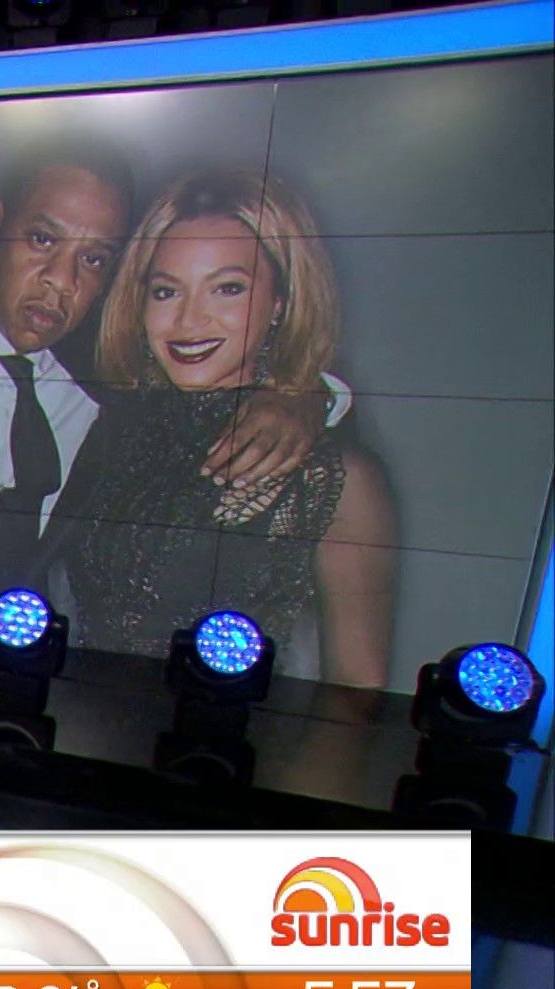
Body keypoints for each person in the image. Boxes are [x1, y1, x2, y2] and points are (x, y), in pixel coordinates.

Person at [0, 135, 347, 623]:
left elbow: (228, 360)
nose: (61, 280)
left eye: (94, 259)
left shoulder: (112, 368)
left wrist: (301, 395)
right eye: (42, 240)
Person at [67, 169, 395, 686]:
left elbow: (357, 693)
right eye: (166, 291)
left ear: (281, 302)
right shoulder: (112, 429)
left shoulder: (337, 478)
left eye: (227, 289)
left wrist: (304, 394)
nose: (189, 320)